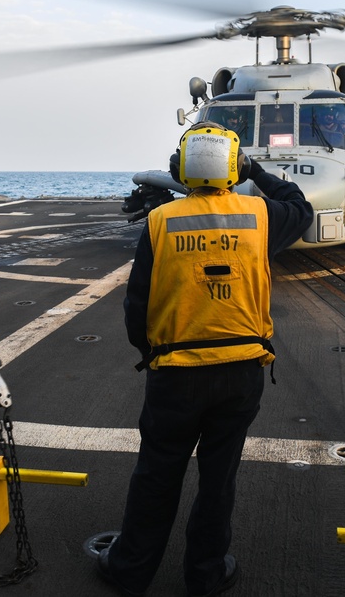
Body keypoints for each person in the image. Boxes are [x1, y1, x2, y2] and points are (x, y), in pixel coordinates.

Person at [96, 122, 313, 596]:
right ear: (235, 167)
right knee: (219, 480)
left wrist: (148, 353)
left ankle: (131, 570)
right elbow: (303, 207)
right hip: (240, 373)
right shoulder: (260, 214)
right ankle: (205, 574)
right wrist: (262, 172)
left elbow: (137, 303)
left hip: (175, 373)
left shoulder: (161, 221)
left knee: (156, 474)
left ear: (180, 168)